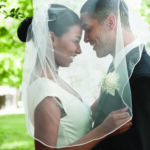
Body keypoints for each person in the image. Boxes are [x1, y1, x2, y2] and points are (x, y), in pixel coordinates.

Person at [17, 2, 131, 150]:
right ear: (51, 39)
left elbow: (70, 123)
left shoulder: (52, 82)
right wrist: (103, 131)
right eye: (76, 41)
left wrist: (100, 99)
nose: (79, 50)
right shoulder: (46, 95)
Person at [80, 0, 150, 150]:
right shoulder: (117, 66)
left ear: (111, 22)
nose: (85, 39)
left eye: (88, 29)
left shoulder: (142, 77)